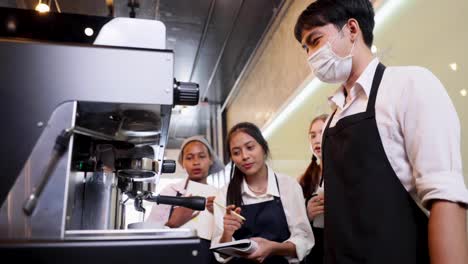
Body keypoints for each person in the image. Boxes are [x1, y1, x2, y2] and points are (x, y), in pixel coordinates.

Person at [294, 1, 468, 263]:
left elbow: (445, 197)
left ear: (352, 29)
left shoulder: (408, 84)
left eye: (315, 41)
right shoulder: (332, 119)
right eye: (306, 48)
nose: (310, 56)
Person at [211, 122, 314, 264]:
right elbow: (221, 255)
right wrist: (227, 234)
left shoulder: (288, 186)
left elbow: (304, 240)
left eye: (250, 147)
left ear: (263, 147)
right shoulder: (224, 194)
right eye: (236, 152)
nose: (244, 156)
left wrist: (274, 248)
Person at [146, 135, 224, 264]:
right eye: (189, 157)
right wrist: (172, 224)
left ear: (211, 160)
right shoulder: (170, 192)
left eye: (202, 156)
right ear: (182, 163)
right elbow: (150, 238)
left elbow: (224, 246)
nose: (196, 162)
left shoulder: (220, 196)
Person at [298, 114, 328, 264]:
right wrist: (307, 214)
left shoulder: (348, 173)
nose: (316, 139)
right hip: (315, 252)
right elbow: (295, 224)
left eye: (322, 132)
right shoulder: (304, 180)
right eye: (312, 135)